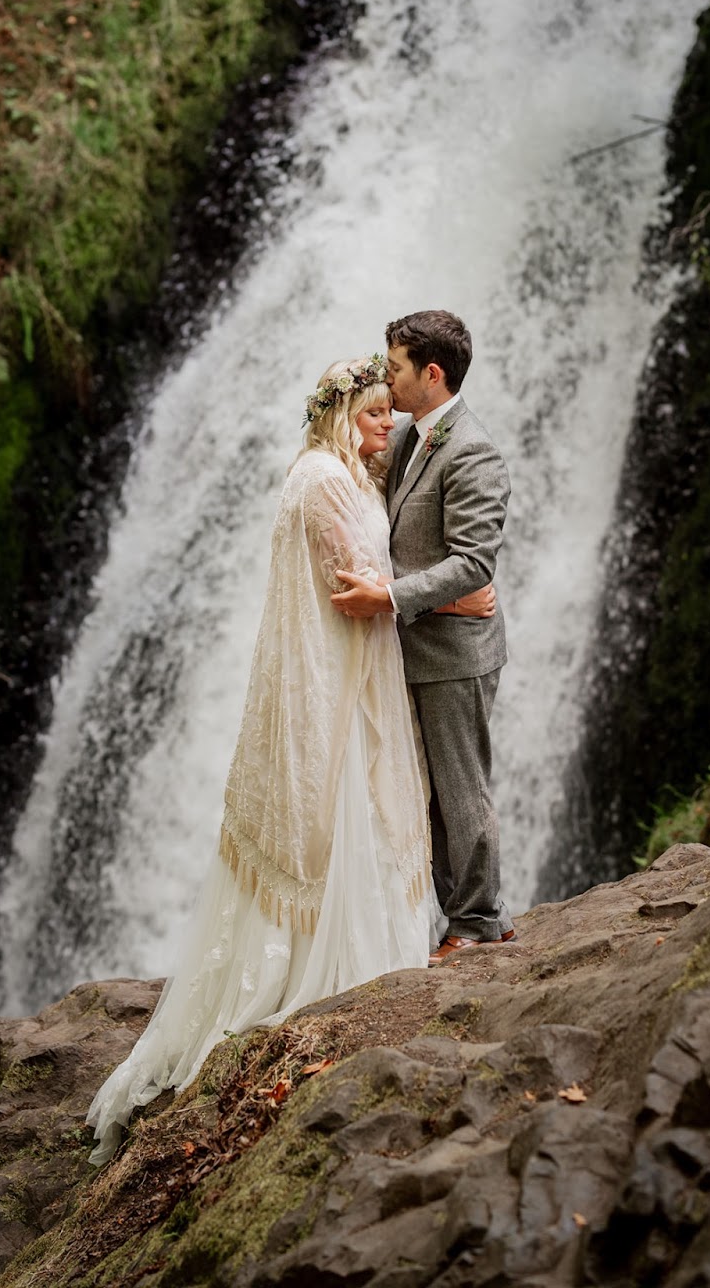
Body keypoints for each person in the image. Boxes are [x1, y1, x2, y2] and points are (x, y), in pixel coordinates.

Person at [85, 354, 488, 1165]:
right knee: (352, 811)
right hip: (341, 681)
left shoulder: (334, 473)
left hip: (355, 670)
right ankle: (355, 964)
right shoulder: (324, 483)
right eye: (376, 415)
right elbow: (360, 584)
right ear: (343, 415)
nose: (389, 427)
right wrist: (453, 594)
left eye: (392, 411)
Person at [331, 311, 514, 965]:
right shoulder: (413, 438)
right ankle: (456, 916)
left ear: (431, 374)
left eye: (398, 367)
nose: (389, 378)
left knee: (462, 787)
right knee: (432, 790)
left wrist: (388, 595)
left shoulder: (473, 450)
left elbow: (473, 563)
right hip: (418, 645)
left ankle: (479, 921)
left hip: (454, 652)